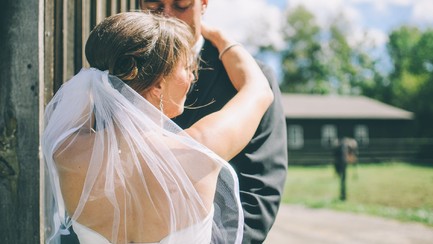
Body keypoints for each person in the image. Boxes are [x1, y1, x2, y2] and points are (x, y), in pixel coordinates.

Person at [42, 12, 273, 244]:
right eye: (187, 67)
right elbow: (259, 89)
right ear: (159, 83)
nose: (192, 77)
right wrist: (218, 36)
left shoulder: (67, 151)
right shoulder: (199, 150)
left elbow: (89, 85)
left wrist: (103, 77)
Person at [139, 1, 288, 243]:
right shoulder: (121, 68)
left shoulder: (250, 78)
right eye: (154, 6)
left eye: (181, 5)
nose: (167, 16)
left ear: (204, 3)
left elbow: (260, 188)